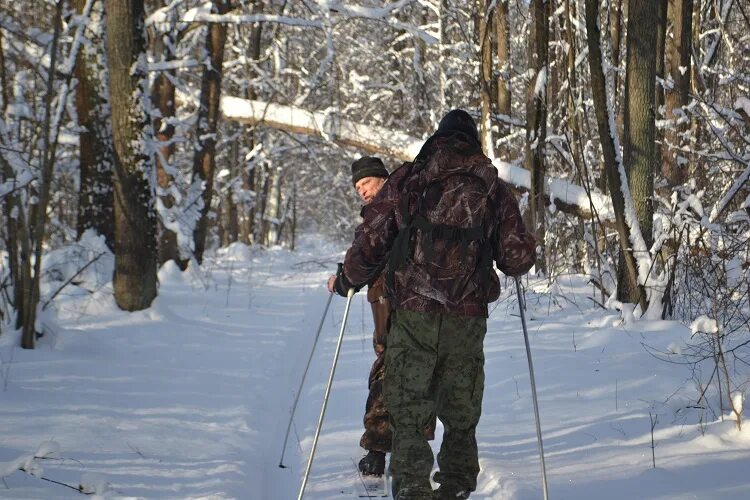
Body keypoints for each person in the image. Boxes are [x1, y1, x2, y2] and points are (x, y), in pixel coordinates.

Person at [327, 110, 536, 499]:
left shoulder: (411, 177)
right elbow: (518, 258)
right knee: (461, 415)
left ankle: (411, 492)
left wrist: (347, 279)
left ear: (436, 138)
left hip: (414, 312)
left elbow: (373, 236)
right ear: (474, 142)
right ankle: (455, 490)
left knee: (408, 412)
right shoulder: (492, 186)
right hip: (468, 319)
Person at [333, 157, 392, 476]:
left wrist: (344, 280)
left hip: (392, 299)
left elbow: (365, 255)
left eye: (366, 183)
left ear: (381, 178)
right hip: (408, 299)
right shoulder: (405, 202)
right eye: (357, 188)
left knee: (387, 368)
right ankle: (407, 448)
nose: (363, 192)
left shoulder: (385, 210)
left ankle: (378, 450)